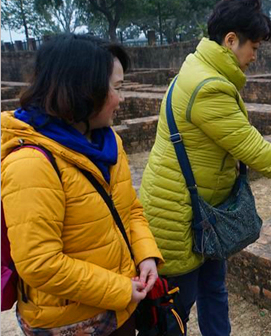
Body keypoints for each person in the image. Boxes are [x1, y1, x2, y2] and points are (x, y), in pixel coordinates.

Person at [138, 0, 271, 334]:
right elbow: (255, 150)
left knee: (214, 288)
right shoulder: (208, 87)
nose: (255, 57)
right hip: (178, 218)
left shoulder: (200, 69)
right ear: (231, 40)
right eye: (253, 47)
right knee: (175, 311)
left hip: (206, 215)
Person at [1, 34, 163, 336]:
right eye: (117, 88)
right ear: (84, 91)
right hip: (71, 322)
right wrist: (119, 288)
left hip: (119, 307)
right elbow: (40, 263)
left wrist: (145, 255)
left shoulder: (107, 142)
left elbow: (130, 210)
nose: (122, 98)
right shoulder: (31, 164)